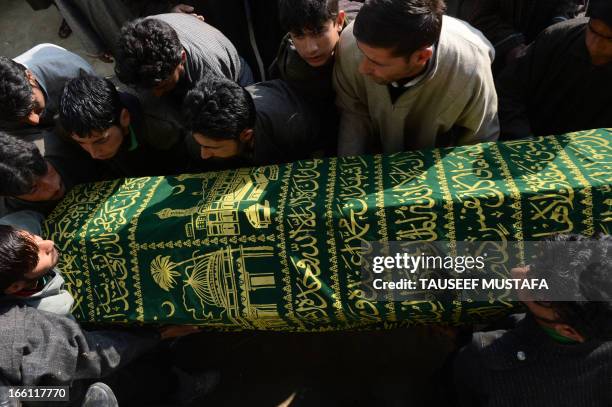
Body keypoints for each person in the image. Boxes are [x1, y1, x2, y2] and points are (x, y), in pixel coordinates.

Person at [453, 234, 612, 406]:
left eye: (539, 292)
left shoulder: (486, 359)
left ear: (568, 331)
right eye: (538, 263)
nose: (518, 274)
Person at [333, 0, 499, 156]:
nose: (363, 68)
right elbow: (353, 117)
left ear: (421, 57)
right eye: (362, 54)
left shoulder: (470, 66)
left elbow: (479, 141)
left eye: (376, 62)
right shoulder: (350, 44)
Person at [0, 302, 203, 405]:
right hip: (70, 387)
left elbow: (94, 354)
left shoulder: (15, 334)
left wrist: (157, 336)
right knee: (141, 381)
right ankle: (185, 387)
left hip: (59, 383)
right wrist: (159, 335)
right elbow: (96, 355)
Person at [496, 0, 612, 139]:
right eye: (593, 31)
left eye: (608, 38)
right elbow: (508, 93)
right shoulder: (556, 39)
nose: (595, 44)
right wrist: (525, 142)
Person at [59, 75, 189, 177]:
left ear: (124, 118)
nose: (94, 153)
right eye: (82, 143)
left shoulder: (160, 127)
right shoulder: (71, 125)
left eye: (101, 140)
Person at [182, 75, 322, 168]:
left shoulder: (291, 127)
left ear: (246, 135)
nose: (204, 155)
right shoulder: (197, 136)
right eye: (202, 145)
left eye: (212, 148)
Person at [115, 13, 253, 101]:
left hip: (235, 78)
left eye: (163, 86)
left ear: (182, 58)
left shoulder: (210, 71)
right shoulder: (143, 31)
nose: (157, 94)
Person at [0, 44, 95, 142]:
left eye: (33, 105)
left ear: (30, 77)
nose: (35, 120)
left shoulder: (75, 74)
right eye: (20, 118)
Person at [462, 0, 580, 73]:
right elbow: (480, 16)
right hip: (493, 60)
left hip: (542, 62)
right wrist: (513, 46)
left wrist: (551, 39)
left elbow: (568, 9)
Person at [0, 131, 99, 217]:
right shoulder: (16, 226)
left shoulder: (68, 141)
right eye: (34, 189)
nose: (54, 186)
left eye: (45, 170)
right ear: (11, 196)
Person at [0, 210, 73, 316]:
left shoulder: (12, 232)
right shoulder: (47, 314)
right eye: (36, 258)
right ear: (15, 287)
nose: (49, 243)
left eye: (32, 236)